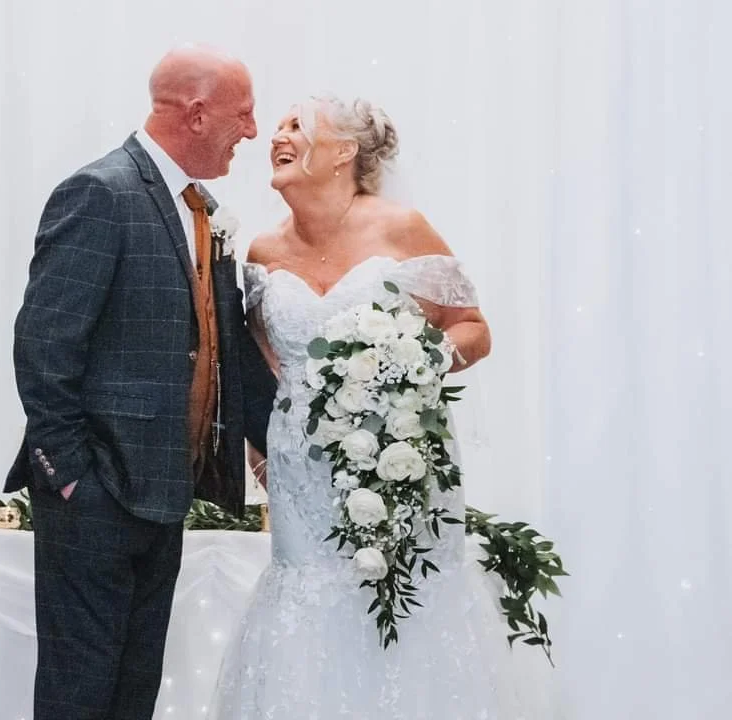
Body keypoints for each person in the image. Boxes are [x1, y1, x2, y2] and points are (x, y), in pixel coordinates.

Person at [210, 96, 547, 718]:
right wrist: (261, 450)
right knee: (305, 589)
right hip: (300, 469)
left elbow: (473, 328)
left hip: (399, 450)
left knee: (402, 586)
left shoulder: (401, 228)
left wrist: (418, 365)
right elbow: (261, 366)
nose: (277, 137)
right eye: (279, 127)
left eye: (296, 126)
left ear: (344, 152)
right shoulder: (260, 251)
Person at [4, 45, 276, 720]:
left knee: (133, 690)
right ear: (196, 112)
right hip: (95, 493)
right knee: (80, 689)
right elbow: (44, 345)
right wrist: (69, 474)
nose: (250, 131)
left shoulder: (199, 211)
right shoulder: (100, 192)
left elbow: (224, 350)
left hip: (163, 495)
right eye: (242, 114)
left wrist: (294, 446)